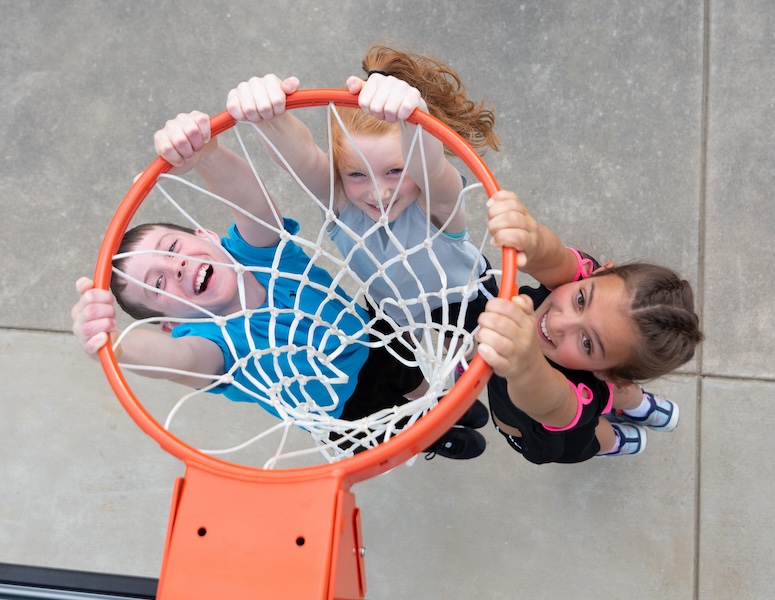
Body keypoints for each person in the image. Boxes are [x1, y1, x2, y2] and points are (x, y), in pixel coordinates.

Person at [71, 110, 486, 459]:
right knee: (393, 440)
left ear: (208, 236)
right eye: (157, 283)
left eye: (173, 247)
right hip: (342, 412)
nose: (176, 268)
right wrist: (116, 345)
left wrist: (205, 154)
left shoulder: (259, 253)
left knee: (411, 377)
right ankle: (430, 436)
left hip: (374, 339)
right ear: (168, 324)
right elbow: (177, 360)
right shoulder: (209, 342)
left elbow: (248, 198)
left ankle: (435, 406)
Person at [225, 43, 500, 430]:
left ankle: (461, 386)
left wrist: (411, 117)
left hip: (461, 298)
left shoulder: (438, 203)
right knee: (408, 373)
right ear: (340, 172)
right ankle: (440, 412)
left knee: (472, 356)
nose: (378, 193)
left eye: (393, 171)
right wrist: (268, 115)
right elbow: (300, 155)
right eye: (357, 174)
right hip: (392, 309)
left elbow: (431, 164)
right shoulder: (341, 205)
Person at [473, 191, 704, 464]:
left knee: (594, 435)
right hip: (535, 425)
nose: (558, 322)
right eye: (580, 299)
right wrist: (532, 240)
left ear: (608, 373)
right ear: (598, 272)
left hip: (557, 419)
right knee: (606, 415)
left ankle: (624, 423)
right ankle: (627, 420)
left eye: (587, 343)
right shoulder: (587, 279)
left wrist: (525, 366)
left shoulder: (577, 393)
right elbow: (554, 259)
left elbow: (550, 399)